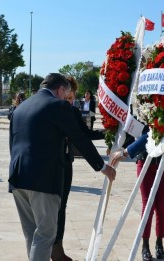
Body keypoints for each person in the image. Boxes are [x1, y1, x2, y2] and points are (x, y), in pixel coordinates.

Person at [9, 73, 116, 261]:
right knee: (44, 236)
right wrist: (102, 166)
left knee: (31, 234)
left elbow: (13, 144)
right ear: (60, 90)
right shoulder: (58, 105)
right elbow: (79, 138)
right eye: (65, 94)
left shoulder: (20, 107)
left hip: (18, 177)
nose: (66, 98)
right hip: (43, 180)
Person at [51, 76, 105, 261]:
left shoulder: (73, 112)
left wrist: (110, 132)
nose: (69, 102)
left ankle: (58, 247)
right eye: (66, 98)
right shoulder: (50, 110)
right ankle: (50, 246)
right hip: (50, 165)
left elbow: (86, 134)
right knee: (50, 208)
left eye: (71, 99)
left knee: (62, 206)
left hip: (66, 163)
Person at [110, 129, 164, 260]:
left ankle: (159, 242)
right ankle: (145, 245)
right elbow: (132, 128)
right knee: (147, 206)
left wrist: (125, 152)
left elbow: (158, 130)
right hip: (145, 158)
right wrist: (115, 143)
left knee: (161, 205)